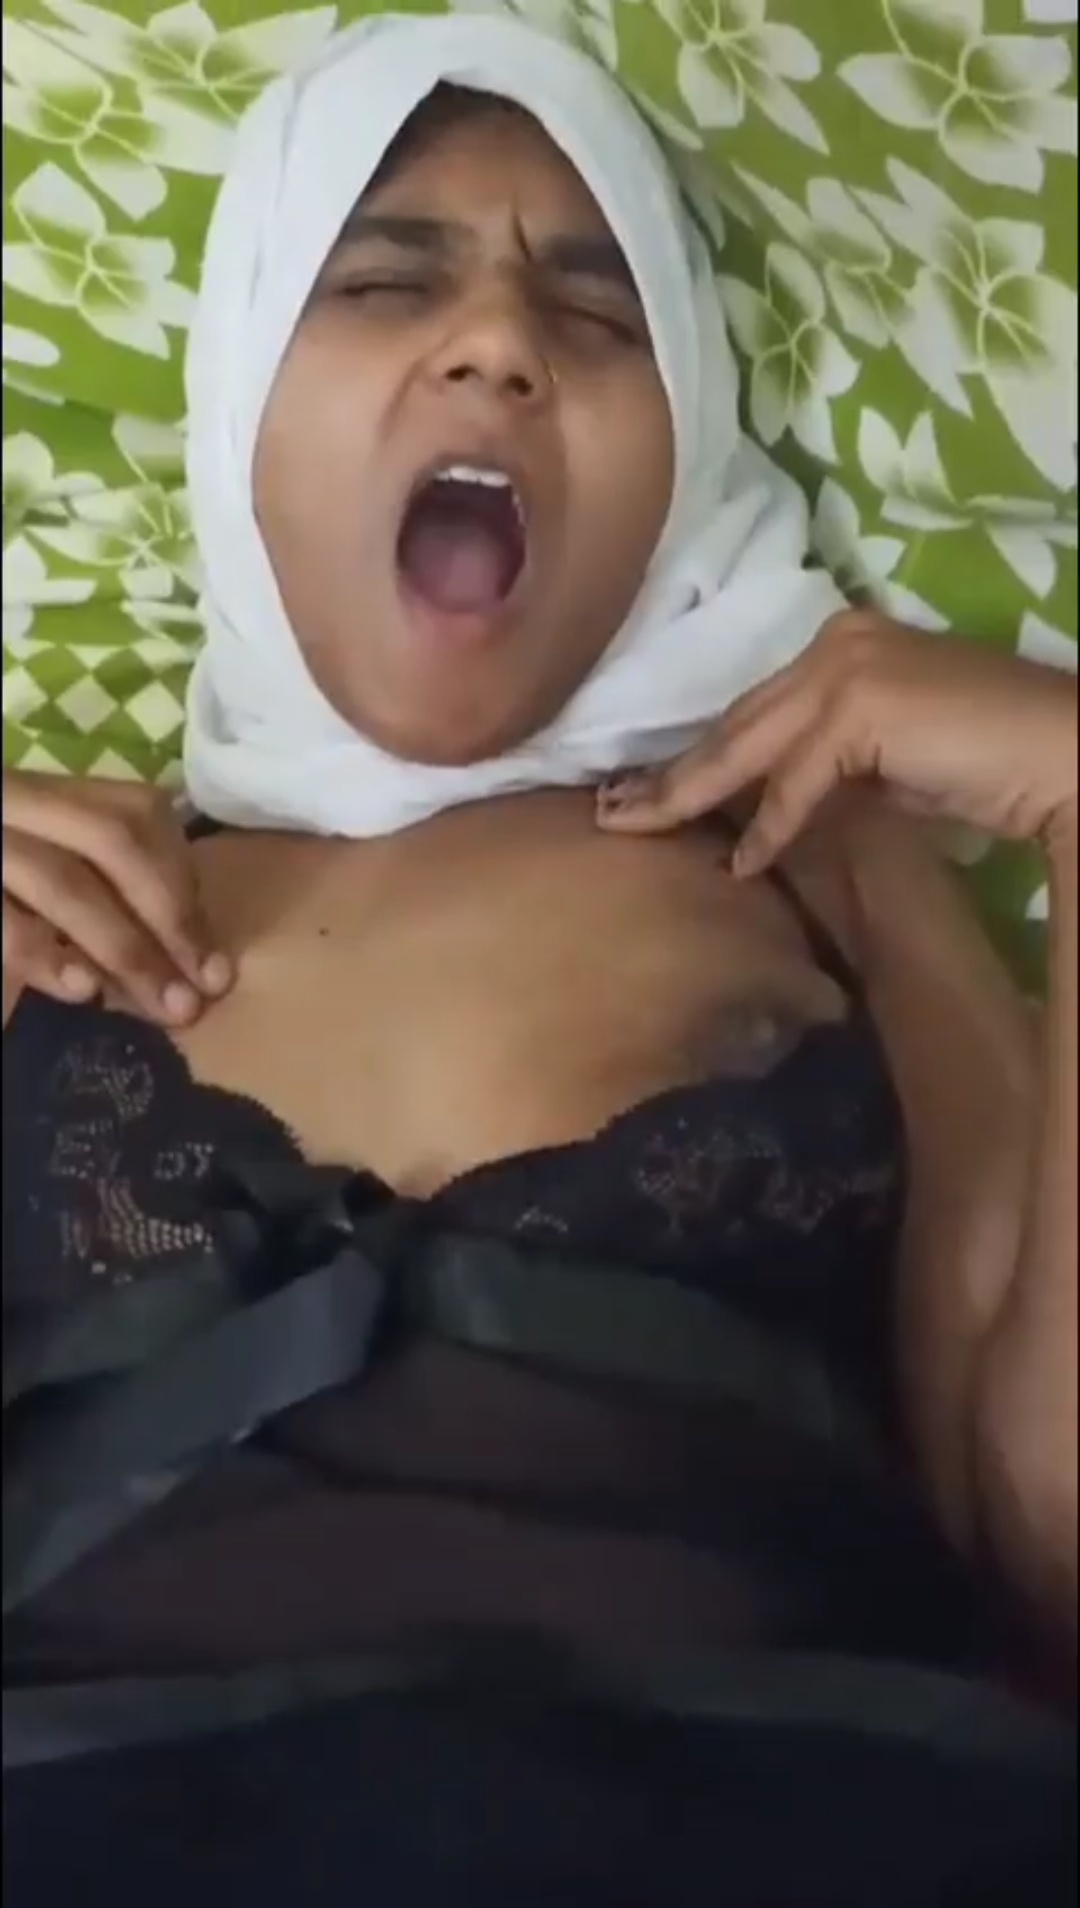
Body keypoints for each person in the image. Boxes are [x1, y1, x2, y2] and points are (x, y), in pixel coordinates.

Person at [2, 15, 1077, 1903]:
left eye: (596, 313)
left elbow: (1049, 1536)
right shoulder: (52, 888)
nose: (497, 342)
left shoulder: (819, 852)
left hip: (782, 1814)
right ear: (236, 399)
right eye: (383, 280)